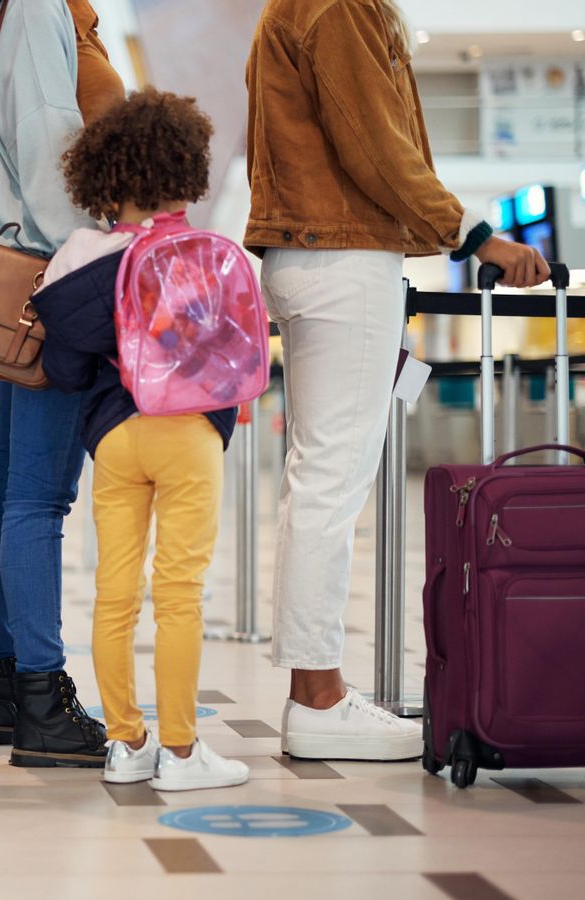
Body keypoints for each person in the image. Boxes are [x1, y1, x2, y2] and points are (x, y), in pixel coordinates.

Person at [246, 0, 549, 760]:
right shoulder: (340, 4)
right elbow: (375, 144)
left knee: (317, 478)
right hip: (341, 258)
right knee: (330, 481)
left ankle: (315, 689)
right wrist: (475, 235)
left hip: (314, 254)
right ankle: (317, 698)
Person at [39, 89, 249, 791]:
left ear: (101, 176)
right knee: (180, 593)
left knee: (115, 592)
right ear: (184, 170)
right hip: (189, 436)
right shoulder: (202, 254)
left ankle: (126, 746)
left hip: (116, 439)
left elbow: (62, 368)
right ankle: (183, 755)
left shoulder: (78, 254)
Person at [0, 0, 121, 767]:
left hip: (39, 271)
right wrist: (95, 267)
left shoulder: (30, 10)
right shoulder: (41, 6)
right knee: (38, 498)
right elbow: (55, 155)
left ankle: (13, 689)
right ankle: (42, 696)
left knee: (9, 491)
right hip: (60, 276)